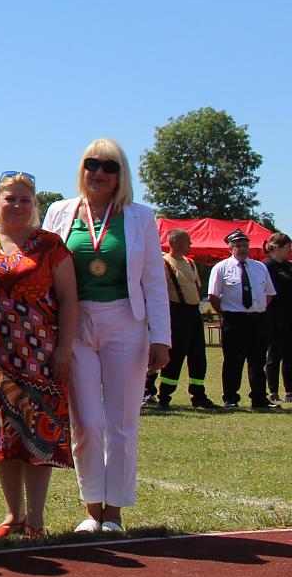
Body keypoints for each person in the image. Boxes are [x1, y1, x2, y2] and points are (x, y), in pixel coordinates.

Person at [42, 139, 170, 535]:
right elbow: (43, 270)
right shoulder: (59, 211)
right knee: (86, 422)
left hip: (125, 322)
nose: (98, 172)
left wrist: (161, 338)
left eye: (109, 166)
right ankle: (91, 509)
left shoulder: (139, 217)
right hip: (75, 324)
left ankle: (113, 512)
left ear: (120, 175)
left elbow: (154, 280)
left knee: (122, 422)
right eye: (91, 164)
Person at [0, 171, 77, 540]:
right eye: (10, 198)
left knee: (39, 436)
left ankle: (35, 520)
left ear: (34, 204)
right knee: (4, 436)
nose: (17, 205)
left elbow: (70, 299)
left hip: (42, 358)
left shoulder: (50, 245)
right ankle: (13, 515)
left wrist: (64, 349)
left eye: (25, 199)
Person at [207, 229, 276, 409]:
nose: (243, 249)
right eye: (238, 245)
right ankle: (230, 398)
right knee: (233, 361)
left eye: (245, 245)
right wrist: (225, 314)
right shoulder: (221, 268)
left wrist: (257, 309)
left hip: (258, 319)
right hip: (234, 320)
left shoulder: (260, 267)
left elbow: (269, 294)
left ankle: (259, 398)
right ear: (230, 248)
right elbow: (213, 296)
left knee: (258, 360)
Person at [153, 230, 213, 408]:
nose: (191, 244)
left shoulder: (191, 263)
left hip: (194, 312)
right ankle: (165, 396)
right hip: (176, 313)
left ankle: (199, 395)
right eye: (188, 241)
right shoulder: (164, 263)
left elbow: (196, 287)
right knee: (175, 355)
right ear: (175, 242)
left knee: (198, 355)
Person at [265, 232, 292, 403]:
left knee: (290, 355)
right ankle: (273, 391)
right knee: (274, 355)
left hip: (289, 317)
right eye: (288, 247)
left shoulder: (288, 266)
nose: (290, 250)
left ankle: (290, 391)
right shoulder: (266, 266)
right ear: (278, 247)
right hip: (274, 317)